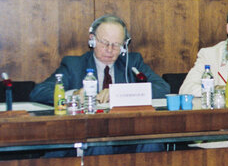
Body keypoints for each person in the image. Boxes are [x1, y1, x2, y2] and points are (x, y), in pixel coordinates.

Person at [30, 14, 169, 105]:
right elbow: (40, 92)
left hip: (126, 131)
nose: (110, 49)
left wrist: (118, 93)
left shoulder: (132, 63)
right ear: (92, 41)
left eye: (116, 44)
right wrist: (74, 95)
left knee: (152, 145)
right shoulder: (74, 65)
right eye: (104, 42)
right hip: (91, 132)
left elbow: (162, 88)